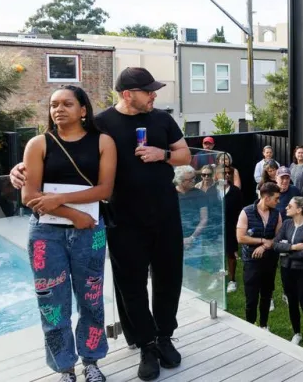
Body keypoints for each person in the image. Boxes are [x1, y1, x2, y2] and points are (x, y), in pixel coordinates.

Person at [12, 68, 192, 381]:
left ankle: (164, 336)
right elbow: (67, 144)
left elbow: (185, 154)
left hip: (164, 212)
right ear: (128, 94)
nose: (154, 95)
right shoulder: (102, 124)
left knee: (169, 277)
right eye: (148, 91)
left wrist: (162, 154)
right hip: (121, 216)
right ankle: (146, 344)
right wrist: (22, 168)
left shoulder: (162, 119)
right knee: (131, 284)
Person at [22, 85, 117, 382]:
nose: (59, 109)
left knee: (91, 298)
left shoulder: (103, 142)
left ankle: (92, 361)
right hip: (45, 234)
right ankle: (65, 367)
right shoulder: (39, 143)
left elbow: (105, 190)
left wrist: (60, 200)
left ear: (83, 110)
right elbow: (29, 195)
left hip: (90, 232)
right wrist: (72, 213)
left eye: (67, 104)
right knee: (52, 303)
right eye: (54, 105)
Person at [272, 196, 303, 351]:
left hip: (302, 271)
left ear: (299, 210)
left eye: (289, 206)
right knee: (292, 302)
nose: (286, 208)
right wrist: (292, 248)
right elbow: (275, 244)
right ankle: (297, 333)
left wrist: (286, 252)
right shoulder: (287, 224)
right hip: (286, 270)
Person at [236, 182, 282, 330]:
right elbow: (240, 238)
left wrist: (264, 246)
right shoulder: (246, 212)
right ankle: (250, 327)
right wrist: (262, 240)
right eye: (276, 198)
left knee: (266, 295)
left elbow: (279, 237)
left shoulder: (276, 214)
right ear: (266, 198)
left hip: (270, 260)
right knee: (251, 297)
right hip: (251, 261)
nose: (278, 201)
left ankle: (263, 324)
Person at [214, 165, 244, 293]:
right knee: (216, 254)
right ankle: (219, 277)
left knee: (230, 253)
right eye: (224, 173)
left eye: (229, 173)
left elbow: (240, 211)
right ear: (217, 175)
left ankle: (232, 280)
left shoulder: (235, 191)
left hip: (231, 227)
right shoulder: (212, 191)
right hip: (215, 228)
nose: (227, 175)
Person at [174, 166, 208, 264]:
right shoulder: (170, 194)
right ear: (180, 181)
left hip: (195, 239)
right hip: (173, 238)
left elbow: (204, 219)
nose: (194, 181)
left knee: (194, 269)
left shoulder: (200, 194)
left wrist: (192, 238)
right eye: (190, 179)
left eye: (194, 178)